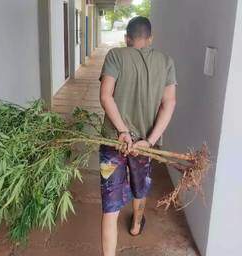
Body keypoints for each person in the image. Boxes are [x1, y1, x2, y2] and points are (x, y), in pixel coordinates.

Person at [99, 16, 177, 256]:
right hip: (144, 145)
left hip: (113, 143)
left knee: (110, 207)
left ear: (127, 39)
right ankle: (135, 226)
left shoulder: (115, 56)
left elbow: (105, 96)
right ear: (150, 38)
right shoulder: (166, 62)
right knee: (140, 185)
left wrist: (122, 131)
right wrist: (150, 141)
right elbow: (169, 103)